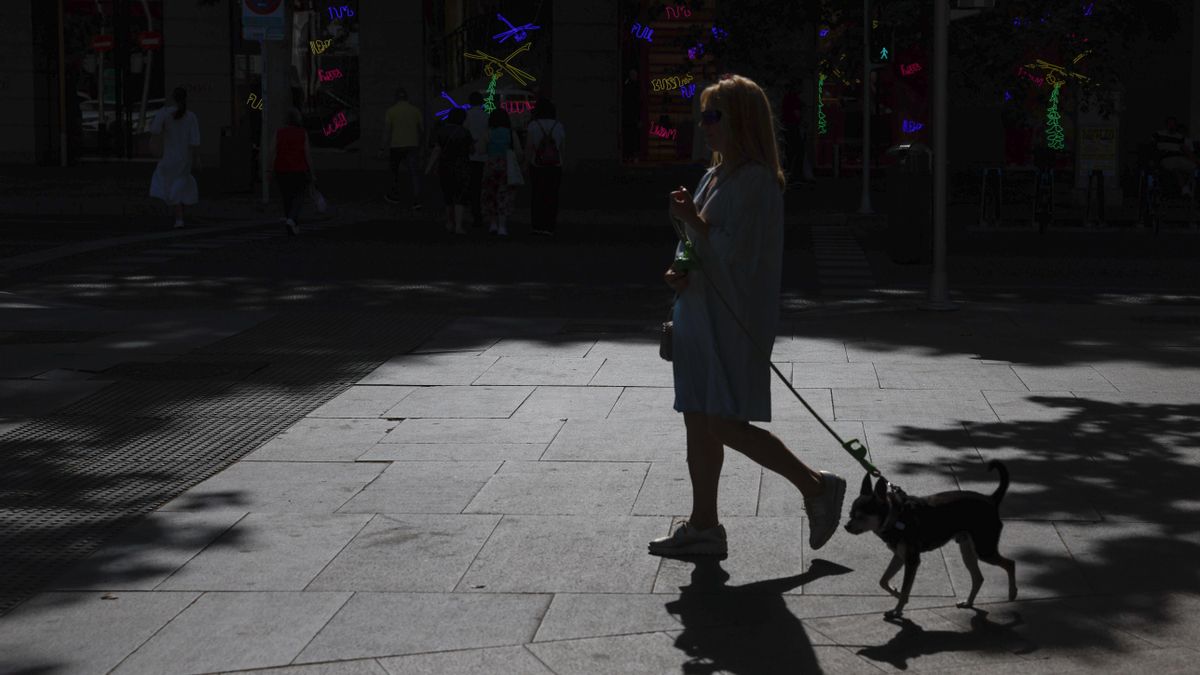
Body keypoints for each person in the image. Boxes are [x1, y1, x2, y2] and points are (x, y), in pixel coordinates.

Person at [650, 74, 847, 557]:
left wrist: (692, 222)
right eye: (703, 115)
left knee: (723, 422)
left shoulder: (757, 180)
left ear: (740, 119)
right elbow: (699, 242)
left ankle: (816, 485)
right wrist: (681, 264)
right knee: (697, 419)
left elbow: (740, 252)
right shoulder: (715, 175)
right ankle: (704, 524)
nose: (704, 125)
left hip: (733, 318)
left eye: (713, 115)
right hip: (698, 312)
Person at [149, 86, 200, 228]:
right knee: (180, 185)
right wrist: (197, 158)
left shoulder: (165, 114)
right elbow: (194, 141)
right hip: (185, 158)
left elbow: (155, 130)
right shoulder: (191, 117)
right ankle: (179, 215)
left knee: (168, 185)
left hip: (169, 157)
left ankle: (178, 216)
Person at [425, 107, 474, 235]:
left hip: (445, 166)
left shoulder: (442, 131)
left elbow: (437, 150)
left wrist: (429, 167)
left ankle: (449, 222)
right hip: (462, 166)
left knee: (448, 195)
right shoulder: (465, 132)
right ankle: (458, 225)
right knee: (460, 196)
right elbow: (472, 150)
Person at [268, 108, 314, 236]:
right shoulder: (302, 133)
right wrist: (312, 172)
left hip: (281, 169)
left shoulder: (279, 133)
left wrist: (269, 169)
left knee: (287, 197)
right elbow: (307, 154)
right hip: (299, 169)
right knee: (299, 195)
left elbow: (272, 151)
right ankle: (292, 219)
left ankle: (291, 221)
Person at [378, 86, 424, 210]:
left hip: (396, 145)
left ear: (396, 98)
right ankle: (416, 200)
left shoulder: (391, 111)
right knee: (414, 173)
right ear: (407, 98)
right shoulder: (415, 110)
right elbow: (422, 130)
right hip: (412, 144)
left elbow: (387, 131)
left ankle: (395, 195)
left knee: (394, 172)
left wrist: (382, 148)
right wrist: (421, 146)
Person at [525, 98, 566, 236]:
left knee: (537, 195)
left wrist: (525, 163)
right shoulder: (559, 126)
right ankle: (549, 226)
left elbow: (529, 147)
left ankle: (537, 225)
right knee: (552, 196)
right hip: (555, 166)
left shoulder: (533, 125)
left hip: (537, 165)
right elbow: (562, 148)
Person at [481, 108, 522, 237]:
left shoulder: (488, 133)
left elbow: (481, 150)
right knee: (504, 195)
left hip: (491, 165)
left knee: (490, 194)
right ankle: (502, 226)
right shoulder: (511, 133)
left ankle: (493, 223)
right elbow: (519, 151)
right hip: (506, 166)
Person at [464, 91, 490, 228]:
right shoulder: (487, 116)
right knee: (482, 185)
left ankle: (474, 211)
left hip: (470, 154)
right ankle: (483, 211)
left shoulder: (467, 116)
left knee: (472, 184)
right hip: (484, 154)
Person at [1154, 116, 1197, 196]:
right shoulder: (1158, 134)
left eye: (1173, 124)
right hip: (1166, 158)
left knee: (1194, 168)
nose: (1171, 126)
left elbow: (1185, 149)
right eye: (1170, 124)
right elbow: (1152, 147)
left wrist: (1195, 159)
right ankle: (1185, 190)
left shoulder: (1179, 137)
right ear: (1166, 125)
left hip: (1179, 158)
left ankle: (1189, 189)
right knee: (1176, 168)